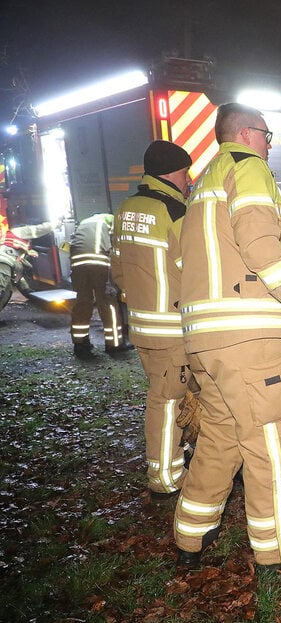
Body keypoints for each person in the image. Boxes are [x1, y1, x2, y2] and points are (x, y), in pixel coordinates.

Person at [174, 103, 281, 572]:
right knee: (265, 440)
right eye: (267, 134)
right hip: (246, 336)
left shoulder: (205, 183)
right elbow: (260, 246)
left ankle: (190, 535)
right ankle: (277, 548)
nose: (270, 143)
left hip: (205, 339)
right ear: (245, 132)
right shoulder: (249, 167)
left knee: (220, 439)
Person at [111, 140, 195, 503]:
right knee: (167, 401)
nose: (189, 179)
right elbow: (193, 269)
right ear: (175, 172)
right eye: (187, 172)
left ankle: (179, 456)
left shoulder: (126, 208)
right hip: (172, 329)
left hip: (143, 326)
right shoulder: (175, 211)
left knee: (171, 396)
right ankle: (165, 478)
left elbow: (118, 270)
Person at [69, 212, 125, 357]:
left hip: (77, 264)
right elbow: (117, 246)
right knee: (107, 303)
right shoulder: (112, 221)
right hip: (98, 262)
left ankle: (80, 344)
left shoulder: (85, 222)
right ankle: (114, 344)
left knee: (83, 302)